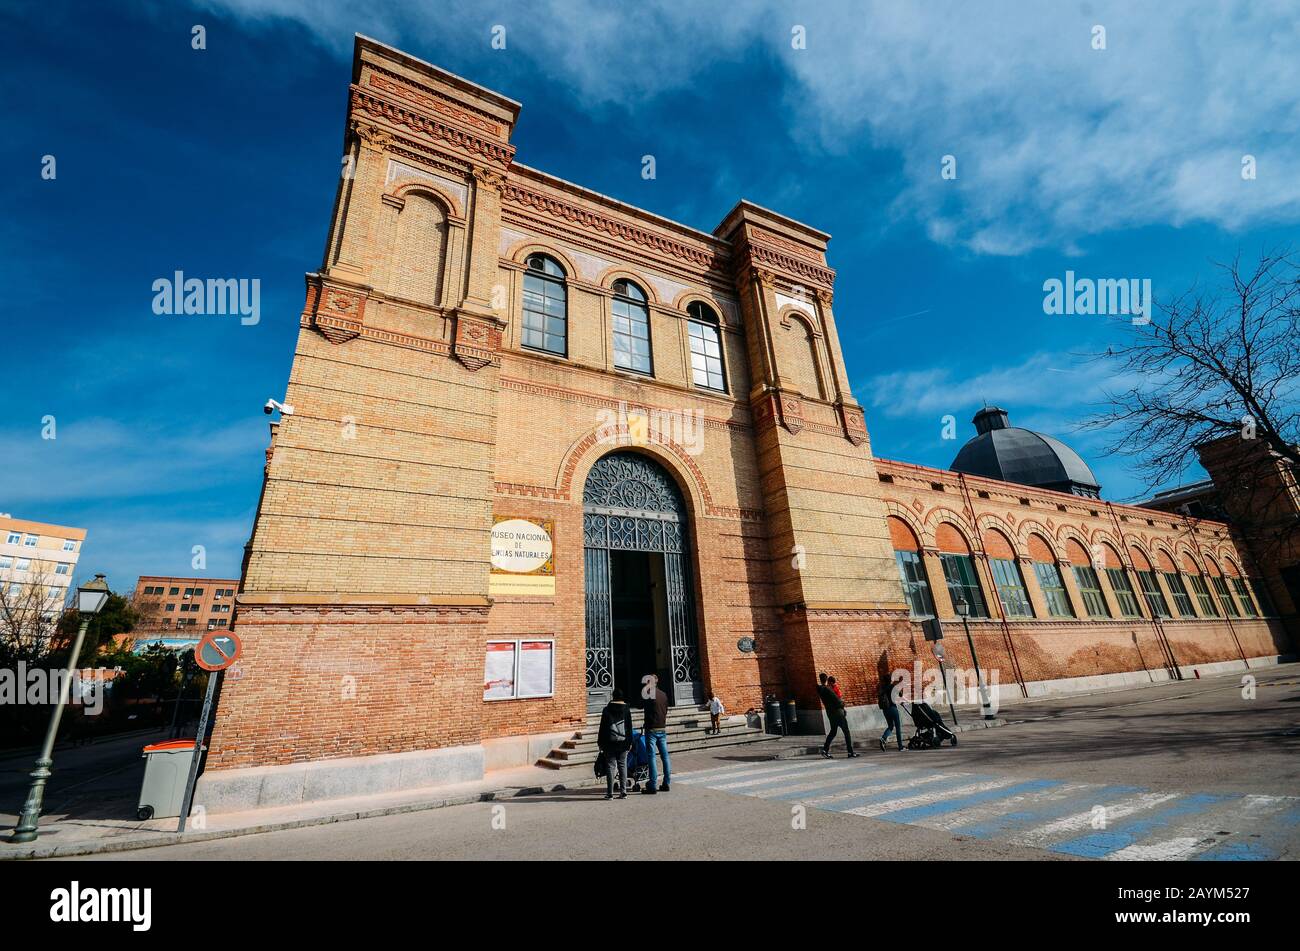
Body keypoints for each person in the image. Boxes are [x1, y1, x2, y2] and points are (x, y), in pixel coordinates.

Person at [598, 688, 635, 799]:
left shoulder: (606, 710)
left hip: (609, 743)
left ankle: (610, 793)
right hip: (623, 743)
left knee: (610, 767)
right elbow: (629, 727)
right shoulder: (626, 709)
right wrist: (630, 742)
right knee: (622, 766)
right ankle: (623, 792)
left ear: (613, 696)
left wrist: (600, 742)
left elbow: (603, 728)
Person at [641, 673, 671, 793]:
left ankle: (652, 785)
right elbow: (666, 710)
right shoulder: (663, 694)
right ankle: (666, 783)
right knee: (665, 756)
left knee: (651, 757)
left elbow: (640, 705)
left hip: (651, 729)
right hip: (662, 728)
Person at [817, 672, 858, 759]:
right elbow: (837, 701)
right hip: (838, 713)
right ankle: (850, 752)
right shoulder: (828, 690)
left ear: (820, 680)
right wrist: (842, 704)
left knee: (833, 732)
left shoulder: (820, 690)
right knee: (846, 732)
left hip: (830, 714)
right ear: (826, 679)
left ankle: (825, 749)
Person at [878, 671, 906, 752]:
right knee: (897, 727)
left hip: (885, 710)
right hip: (893, 708)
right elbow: (900, 694)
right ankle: (900, 747)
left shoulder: (882, 688)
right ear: (890, 680)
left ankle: (883, 738)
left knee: (890, 726)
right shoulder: (892, 686)